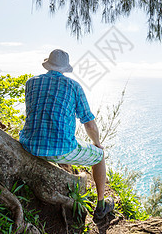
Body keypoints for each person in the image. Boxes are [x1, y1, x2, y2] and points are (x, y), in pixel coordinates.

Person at [19, 49, 114, 220]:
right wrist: (97, 142)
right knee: (99, 156)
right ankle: (101, 206)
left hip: (29, 144)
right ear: (64, 68)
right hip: (60, 149)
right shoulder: (73, 86)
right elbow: (89, 123)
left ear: (48, 65)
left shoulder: (31, 82)